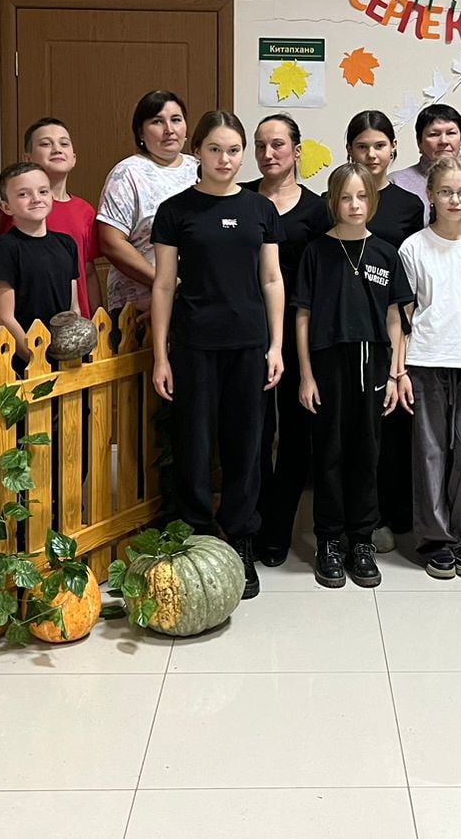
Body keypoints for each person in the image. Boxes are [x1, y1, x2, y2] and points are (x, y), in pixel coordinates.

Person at [150, 112, 284, 599]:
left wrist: (276, 345)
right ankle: (197, 539)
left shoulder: (260, 209)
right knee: (194, 445)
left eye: (232, 150)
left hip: (249, 346)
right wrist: (161, 356)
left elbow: (272, 279)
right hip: (194, 346)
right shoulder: (175, 210)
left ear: (243, 154)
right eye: (214, 149)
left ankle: (241, 538)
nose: (224, 159)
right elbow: (164, 285)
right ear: (197, 152)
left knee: (246, 446)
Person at [295, 163, 413, 589]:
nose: (354, 205)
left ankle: (361, 540)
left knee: (367, 451)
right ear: (333, 202)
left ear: (372, 200)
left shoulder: (384, 253)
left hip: (373, 363)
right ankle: (329, 540)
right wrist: (306, 375)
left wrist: (396, 373)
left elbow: (395, 317)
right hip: (328, 361)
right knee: (329, 452)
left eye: (362, 196)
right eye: (345, 197)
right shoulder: (316, 252)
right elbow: (303, 317)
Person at [398, 157, 461, 579]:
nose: (454, 200)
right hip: (426, 359)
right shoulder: (413, 247)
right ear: (430, 195)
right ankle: (435, 540)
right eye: (445, 192)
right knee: (431, 453)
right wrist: (401, 370)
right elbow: (405, 315)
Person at [244, 114, 332, 566]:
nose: (268, 153)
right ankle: (251, 523)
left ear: (297, 151)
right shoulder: (240, 199)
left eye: (277, 144)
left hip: (300, 335)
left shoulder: (318, 210)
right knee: (253, 434)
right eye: (260, 145)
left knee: (297, 435)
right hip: (247, 333)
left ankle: (278, 528)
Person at [346, 109, 425, 552]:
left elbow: (410, 274)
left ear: (393, 148)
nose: (371, 154)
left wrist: (406, 341)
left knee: (394, 425)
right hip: (348, 325)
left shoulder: (409, 205)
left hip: (393, 325)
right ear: (350, 151)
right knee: (356, 429)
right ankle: (361, 516)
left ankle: (395, 514)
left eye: (379, 145)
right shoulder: (337, 197)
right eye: (362, 147)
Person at [97, 90, 199, 318]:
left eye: (176, 120)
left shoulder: (200, 169)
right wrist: (166, 283)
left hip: (196, 302)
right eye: (157, 121)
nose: (169, 129)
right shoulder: (128, 173)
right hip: (138, 307)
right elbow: (111, 242)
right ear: (140, 132)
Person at [0, 117, 99, 318]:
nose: (56, 149)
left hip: (75, 321)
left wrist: (97, 317)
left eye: (64, 143)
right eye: (46, 144)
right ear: (27, 158)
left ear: (73, 157)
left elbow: (88, 270)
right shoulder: (17, 210)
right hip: (28, 322)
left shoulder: (85, 211)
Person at [0, 161, 81, 344]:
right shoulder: (5, 248)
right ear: (6, 207)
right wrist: (32, 354)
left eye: (43, 191)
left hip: (61, 350)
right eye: (23, 194)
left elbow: (74, 307)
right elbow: (4, 318)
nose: (36, 199)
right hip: (23, 353)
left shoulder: (67, 244)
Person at [388, 103, 461, 229]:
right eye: (434, 134)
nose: (444, 141)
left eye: (451, 133)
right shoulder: (397, 183)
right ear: (419, 142)